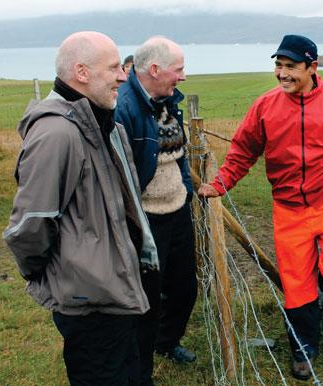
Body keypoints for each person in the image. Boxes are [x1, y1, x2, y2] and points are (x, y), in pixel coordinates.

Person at [198, 34, 323, 381]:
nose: (282, 74)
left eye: (290, 66)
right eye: (278, 66)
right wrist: (219, 184)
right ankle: (304, 348)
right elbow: (242, 152)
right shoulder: (265, 106)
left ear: (312, 67)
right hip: (288, 207)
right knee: (297, 285)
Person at [3, 31, 159, 386]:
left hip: (117, 291)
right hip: (90, 302)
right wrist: (59, 275)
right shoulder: (58, 134)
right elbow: (31, 225)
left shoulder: (105, 124)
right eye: (114, 67)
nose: (124, 75)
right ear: (82, 72)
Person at [115, 36, 197, 386]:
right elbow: (119, 171)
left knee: (185, 288)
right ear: (154, 69)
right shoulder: (124, 107)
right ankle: (140, 372)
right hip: (146, 219)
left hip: (178, 211)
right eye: (178, 70)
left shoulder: (169, 101)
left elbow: (178, 156)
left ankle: (167, 343)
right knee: (146, 300)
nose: (183, 76)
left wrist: (188, 191)